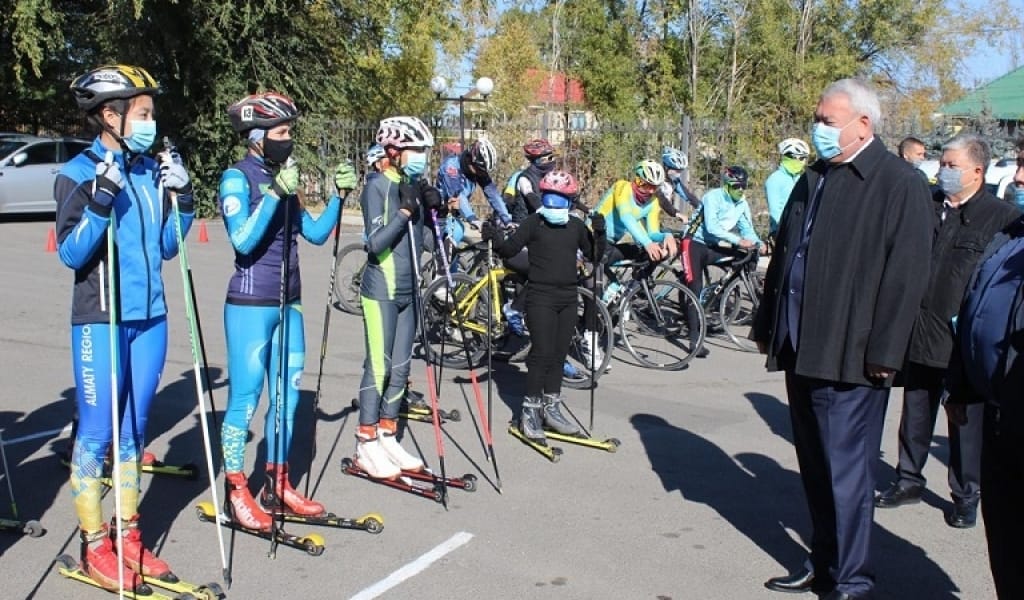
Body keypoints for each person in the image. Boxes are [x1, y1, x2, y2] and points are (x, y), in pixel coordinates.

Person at [752, 78, 932, 600]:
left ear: (862, 125)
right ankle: (825, 562)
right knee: (815, 468)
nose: (819, 129)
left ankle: (851, 581)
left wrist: (885, 352)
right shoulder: (815, 177)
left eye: (828, 121)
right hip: (802, 346)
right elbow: (787, 254)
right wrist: (767, 325)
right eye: (818, 119)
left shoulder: (899, 184)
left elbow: (907, 275)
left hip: (851, 356)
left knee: (846, 476)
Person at [55, 64, 194, 591]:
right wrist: (100, 201)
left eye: (150, 114)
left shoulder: (144, 169)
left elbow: (166, 247)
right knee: (96, 434)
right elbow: (71, 253)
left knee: (134, 433)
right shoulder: (77, 172)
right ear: (109, 115)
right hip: (101, 318)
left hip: (150, 317)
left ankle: (129, 536)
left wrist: (181, 199)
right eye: (142, 114)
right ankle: (95, 546)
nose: (150, 123)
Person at [217, 92, 358, 530]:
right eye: (281, 133)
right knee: (245, 398)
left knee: (288, 398)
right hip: (250, 302)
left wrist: (338, 196)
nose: (288, 139)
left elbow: (314, 234)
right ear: (256, 137)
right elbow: (243, 241)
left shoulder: (286, 179)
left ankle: (277, 485)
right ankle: (236, 490)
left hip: (289, 302)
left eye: (289, 132)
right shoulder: (236, 179)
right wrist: (276, 194)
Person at [875, 133, 1019, 528]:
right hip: (921, 331)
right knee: (916, 410)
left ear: (977, 171)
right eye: (942, 164)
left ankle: (966, 494)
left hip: (964, 342)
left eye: (952, 166)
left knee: (964, 420)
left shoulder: (1000, 217)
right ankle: (908, 479)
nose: (943, 171)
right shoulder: (929, 206)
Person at [944, 136, 1024, 599]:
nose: (1016, 177)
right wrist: (960, 385)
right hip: (997, 422)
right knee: (1007, 551)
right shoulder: (1010, 238)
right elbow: (972, 309)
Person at [354, 116, 444, 479]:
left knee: (402, 368)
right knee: (379, 365)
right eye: (417, 150)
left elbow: (425, 243)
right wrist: (406, 211)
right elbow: (374, 244)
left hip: (410, 290)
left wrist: (437, 212)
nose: (423, 157)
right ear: (393, 150)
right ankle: (366, 441)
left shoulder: (411, 184)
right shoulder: (377, 186)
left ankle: (388, 434)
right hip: (382, 291)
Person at [482, 171, 602, 442]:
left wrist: (600, 231)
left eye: (560, 200)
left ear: (570, 203)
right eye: (549, 197)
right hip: (540, 298)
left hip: (568, 298)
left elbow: (596, 255)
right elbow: (509, 251)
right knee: (541, 354)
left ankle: (552, 409)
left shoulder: (575, 226)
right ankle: (530, 411)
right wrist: (494, 237)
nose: (554, 204)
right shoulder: (534, 223)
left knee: (559, 355)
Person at [680, 165, 762, 358]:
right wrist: (738, 240)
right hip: (693, 242)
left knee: (743, 257)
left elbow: (746, 228)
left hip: (711, 245)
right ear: (726, 186)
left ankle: (719, 293)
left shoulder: (742, 203)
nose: (740, 190)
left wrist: (758, 242)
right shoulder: (713, 197)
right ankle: (694, 339)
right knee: (695, 288)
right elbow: (713, 227)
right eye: (736, 187)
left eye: (743, 186)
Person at [501, 138, 558, 335]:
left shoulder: (550, 177)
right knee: (543, 270)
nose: (552, 161)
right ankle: (514, 309)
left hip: (538, 233)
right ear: (536, 160)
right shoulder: (525, 178)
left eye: (553, 156)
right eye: (548, 158)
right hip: (520, 233)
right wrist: (546, 212)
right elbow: (532, 198)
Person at [437, 137, 512, 234]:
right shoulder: (451, 167)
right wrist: (473, 219)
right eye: (480, 170)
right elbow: (458, 196)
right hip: (438, 215)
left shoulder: (477, 171)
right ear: (471, 160)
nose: (481, 174)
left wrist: (507, 220)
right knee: (457, 231)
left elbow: (493, 194)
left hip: (454, 214)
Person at [765, 138, 810, 237]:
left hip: (798, 231)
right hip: (782, 233)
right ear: (792, 157)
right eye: (802, 158)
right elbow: (775, 212)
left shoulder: (798, 178)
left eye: (805, 159)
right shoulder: (774, 180)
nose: (803, 162)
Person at [658, 147, 701, 220]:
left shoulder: (674, 181)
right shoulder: (656, 180)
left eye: (680, 171)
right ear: (666, 167)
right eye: (677, 170)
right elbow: (662, 200)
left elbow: (689, 196)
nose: (679, 174)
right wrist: (676, 213)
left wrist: (703, 208)